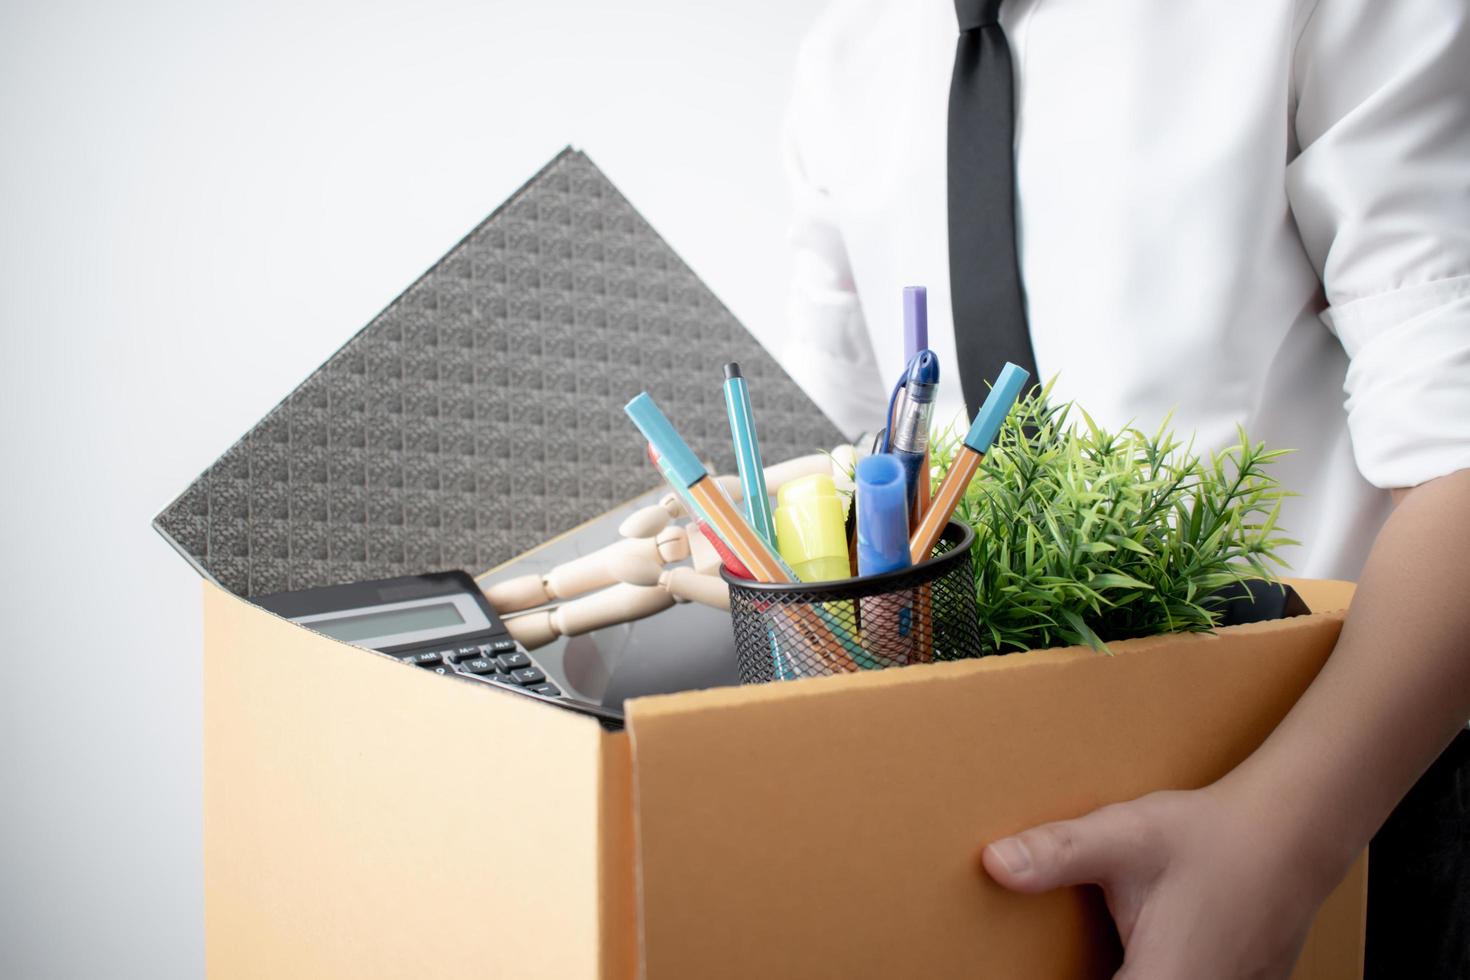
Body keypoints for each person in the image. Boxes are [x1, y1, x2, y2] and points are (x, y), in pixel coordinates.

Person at [778, 1, 1470, 977]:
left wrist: (1281, 845)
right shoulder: (846, 54)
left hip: (1345, 800)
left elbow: (1458, 448)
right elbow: (835, 458)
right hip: (993, 810)